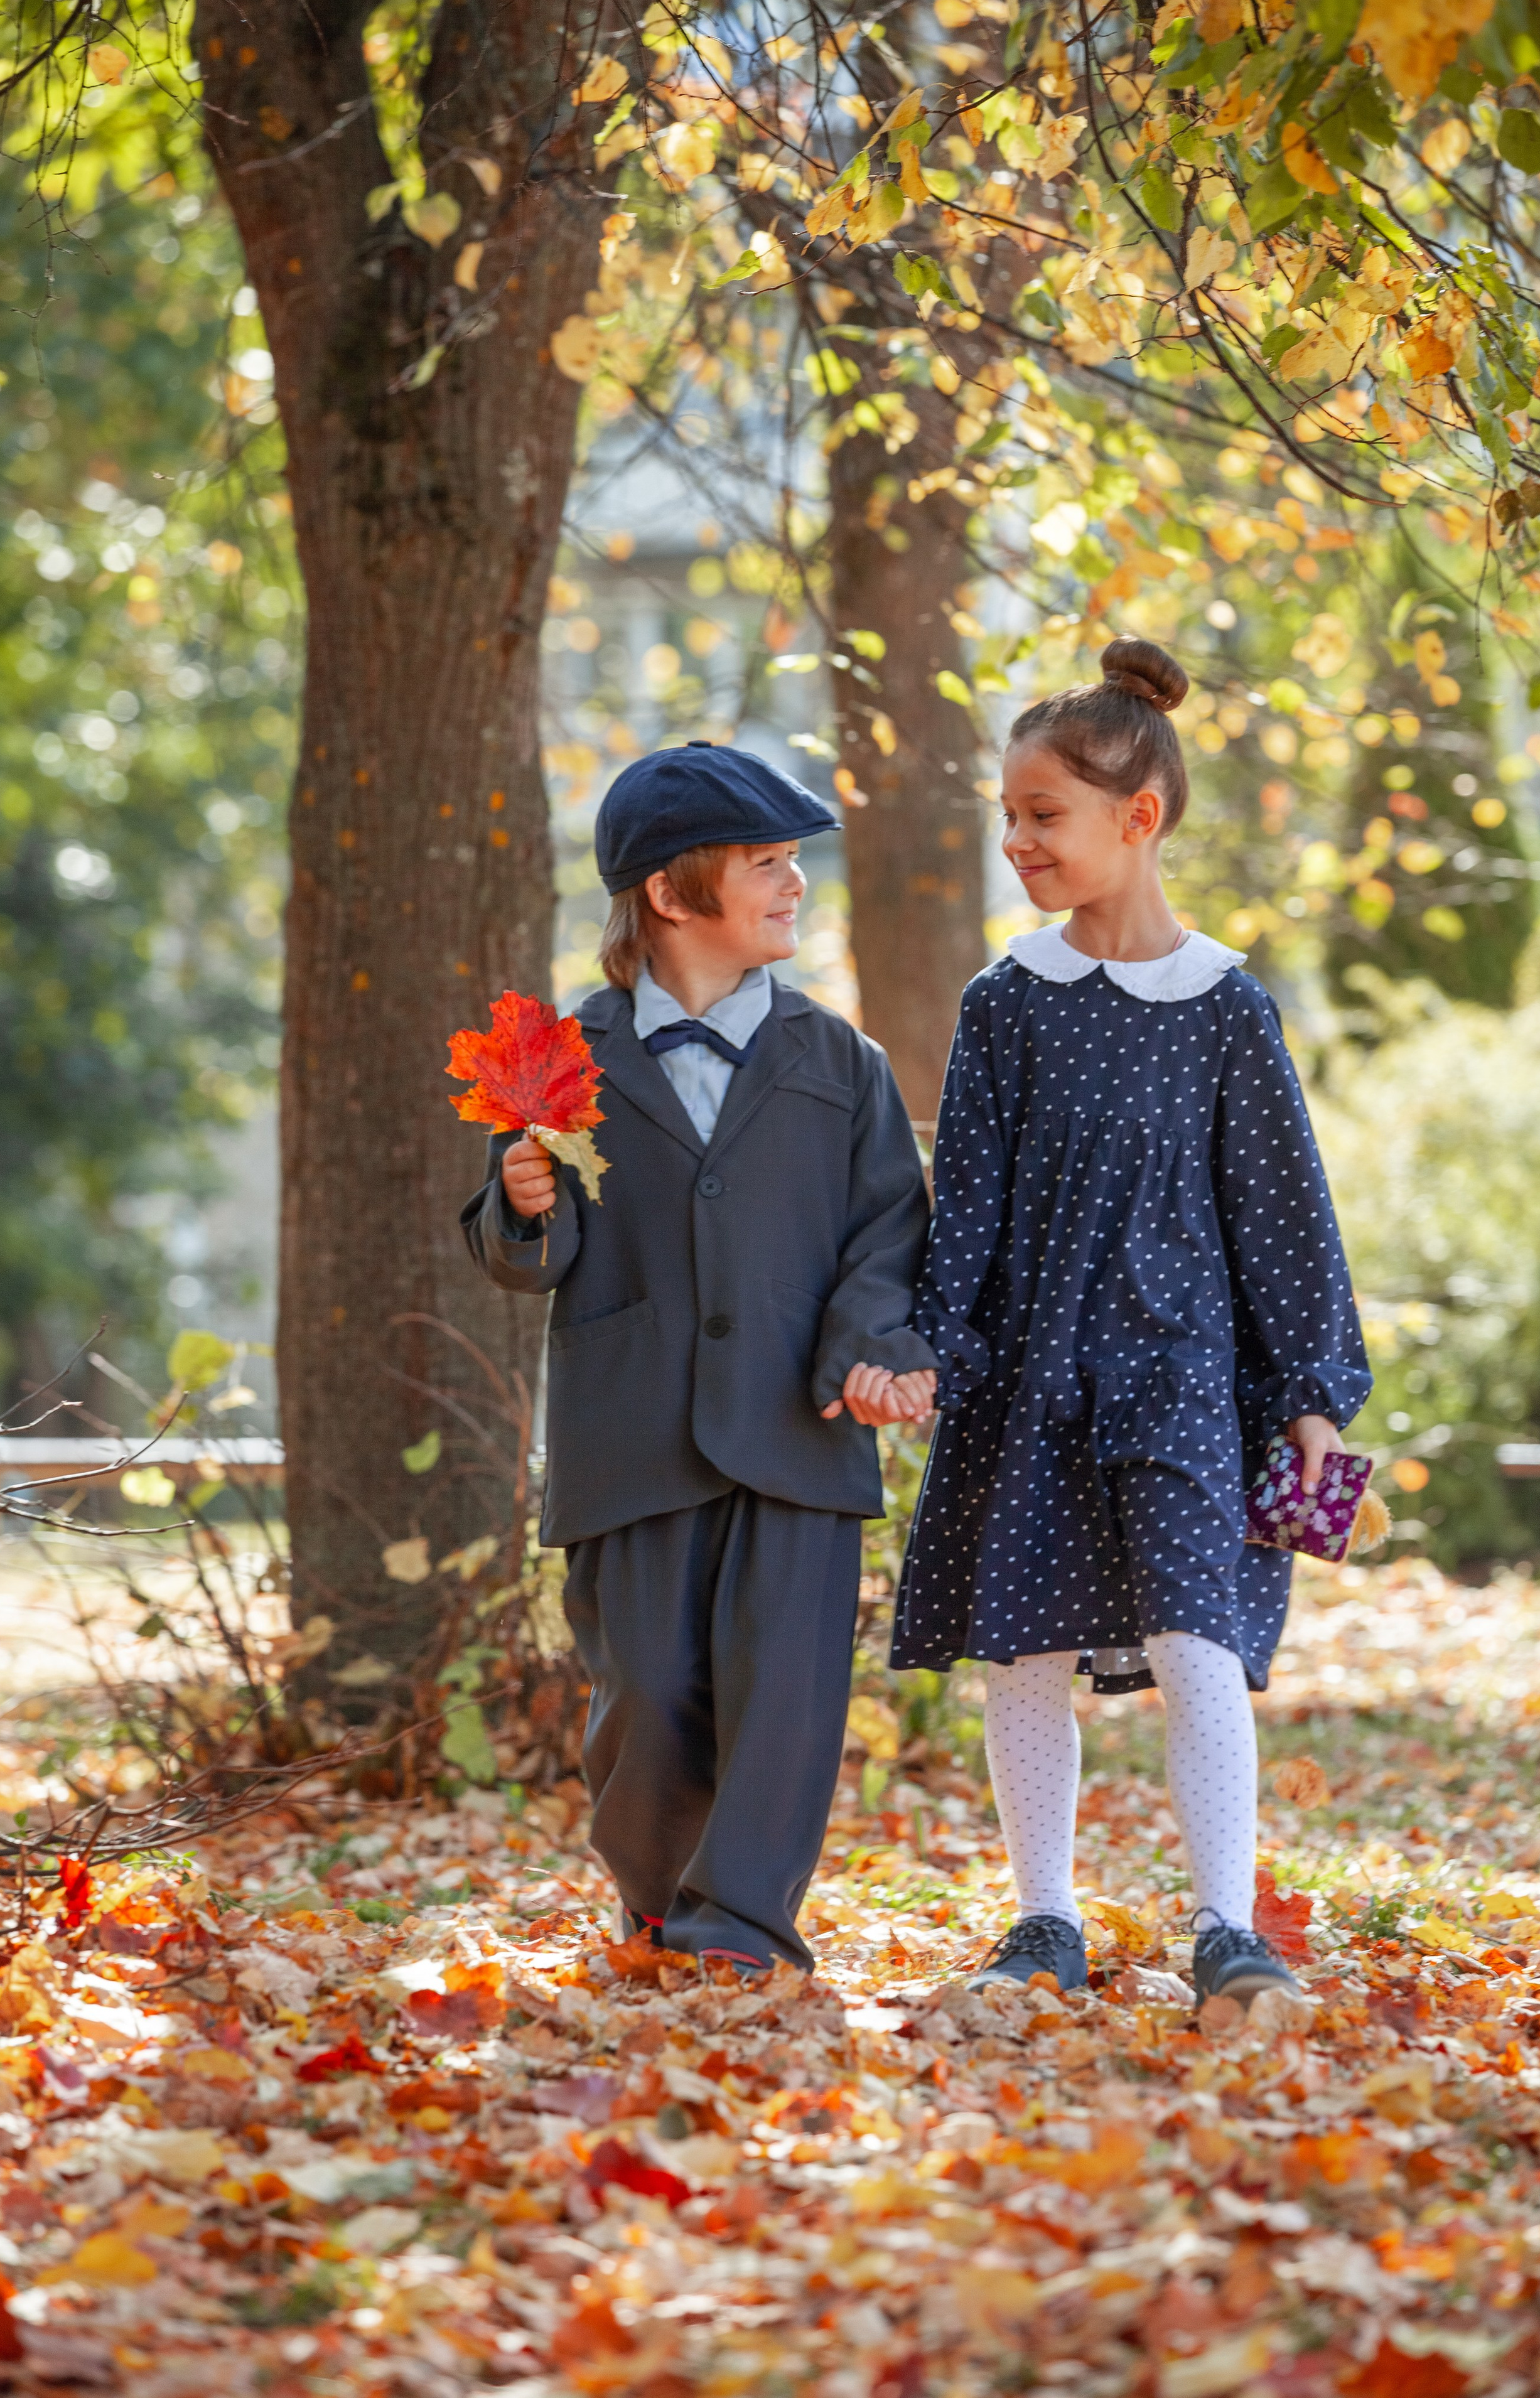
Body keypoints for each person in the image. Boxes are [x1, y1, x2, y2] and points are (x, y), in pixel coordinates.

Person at [892, 638, 1370, 2012]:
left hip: (1182, 1385)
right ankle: (1040, 1918)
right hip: (1025, 1381)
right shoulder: (1002, 1007)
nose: (1016, 841)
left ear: (1134, 817)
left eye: (1041, 815)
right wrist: (931, 1355)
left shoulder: (1223, 1007)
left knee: (1194, 1636)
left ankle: (1225, 1923)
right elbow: (965, 1218)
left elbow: (1283, 1220)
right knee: (1026, 1643)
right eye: (1008, 816)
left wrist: (1310, 1399)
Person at [462, 741, 936, 1975]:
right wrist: (521, 1201)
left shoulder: (845, 1065)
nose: (793, 886)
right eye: (767, 864)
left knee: (782, 1699)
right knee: (650, 1689)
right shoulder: (562, 1060)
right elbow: (526, 1248)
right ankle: (658, 1905)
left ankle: (741, 1928)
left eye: (794, 863)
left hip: (798, 1431)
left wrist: (869, 1350)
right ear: (672, 896)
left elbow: (888, 1238)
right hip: (633, 1437)